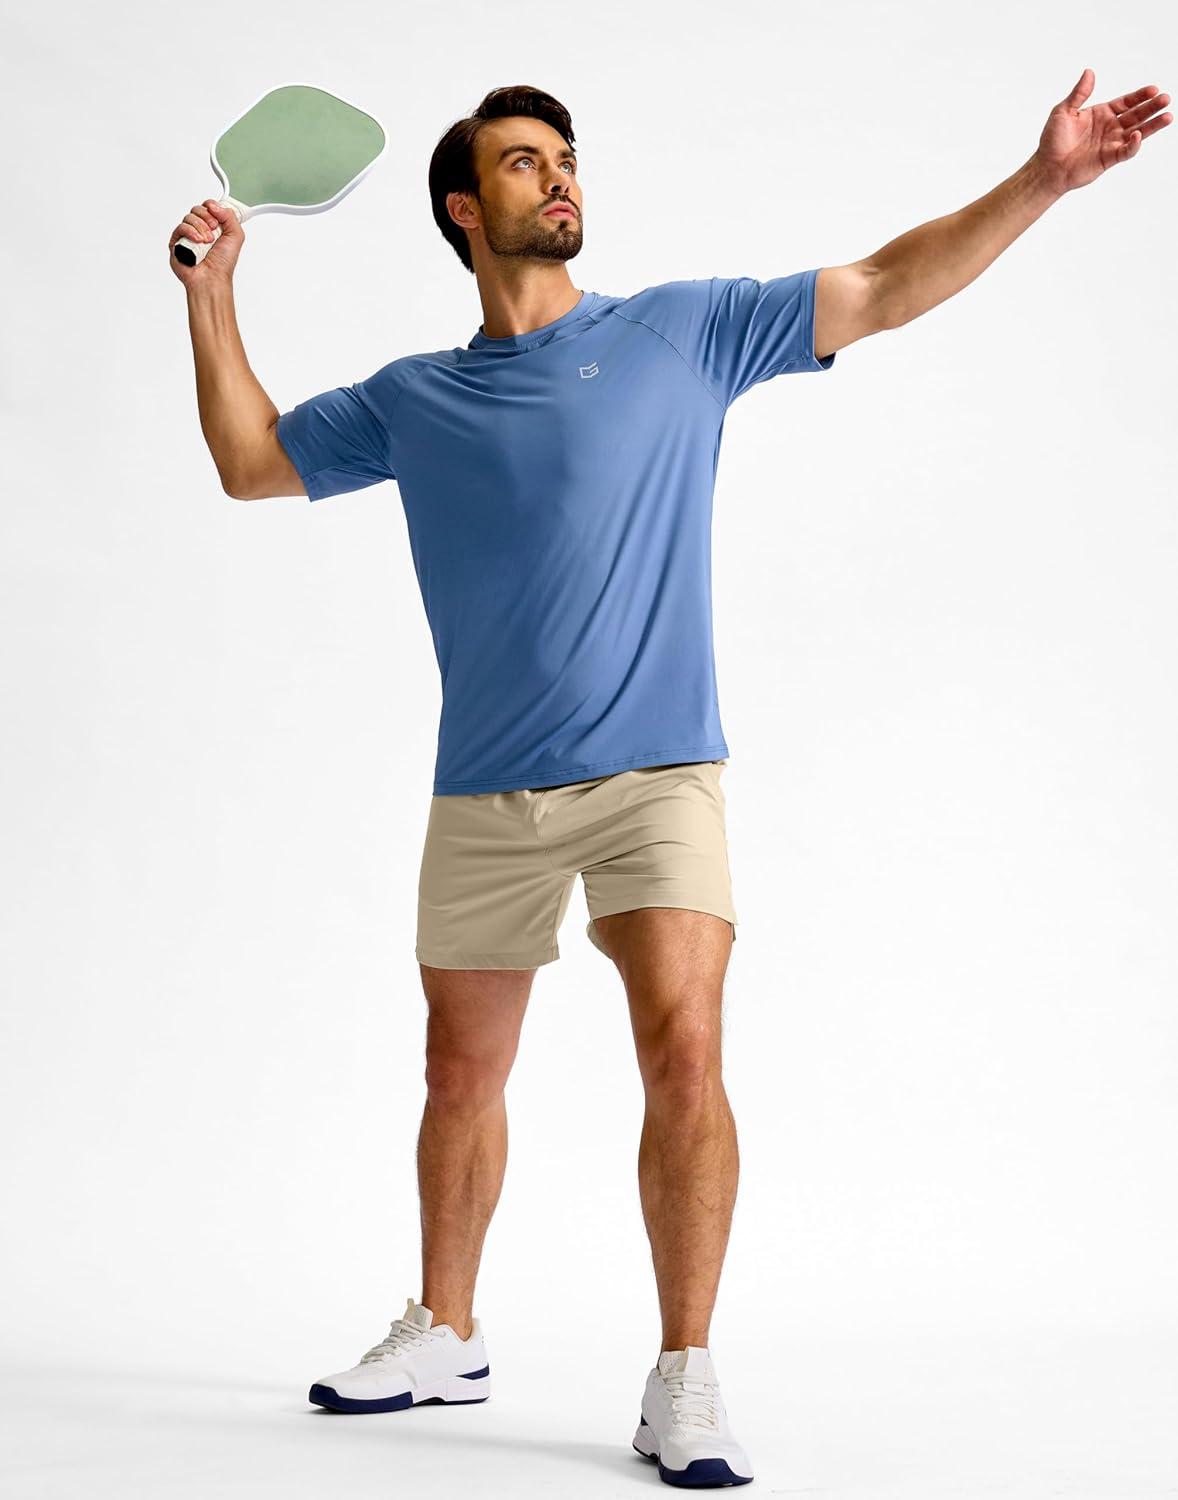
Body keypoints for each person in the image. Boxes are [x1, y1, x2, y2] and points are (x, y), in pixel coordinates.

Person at [171, 72, 1169, 1488]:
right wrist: (211, 296)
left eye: (566, 158)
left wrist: (1044, 180)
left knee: (684, 1051)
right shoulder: (415, 399)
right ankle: (446, 1331)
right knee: (459, 1071)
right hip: (485, 789)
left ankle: (684, 1375)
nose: (559, 179)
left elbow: (883, 286)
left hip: (657, 777)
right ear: (464, 210)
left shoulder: (680, 333)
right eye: (524, 163)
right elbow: (251, 463)